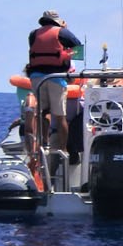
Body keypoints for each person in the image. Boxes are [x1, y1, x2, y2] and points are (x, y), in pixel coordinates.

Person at [24, 10, 83, 155]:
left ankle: (43, 144)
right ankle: (62, 149)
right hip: (56, 77)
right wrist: (65, 54)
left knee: (42, 112)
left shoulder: (33, 34)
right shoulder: (63, 33)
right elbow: (79, 50)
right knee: (60, 115)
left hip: (37, 77)